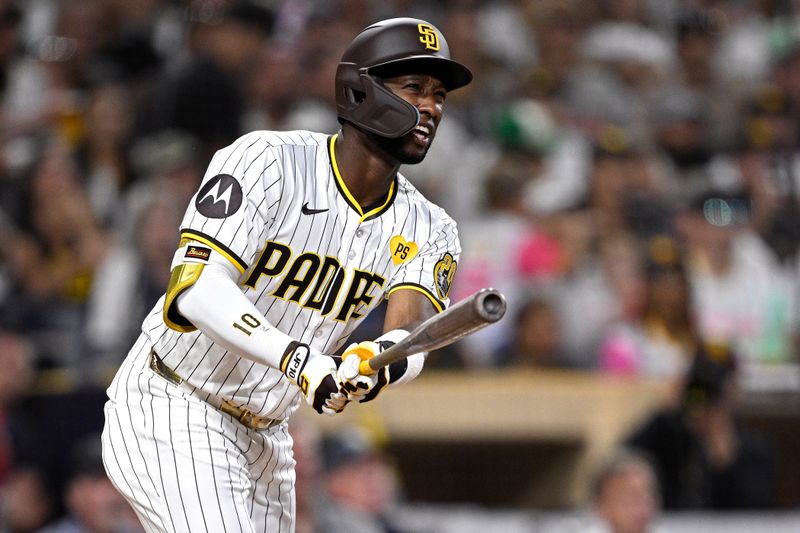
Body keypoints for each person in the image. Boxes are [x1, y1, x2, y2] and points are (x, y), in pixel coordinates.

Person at [101, 17, 472, 533]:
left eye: (439, 95)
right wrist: (299, 360)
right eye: (414, 88)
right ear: (359, 90)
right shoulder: (266, 160)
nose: (431, 106)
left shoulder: (431, 227)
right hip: (175, 398)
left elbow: (409, 337)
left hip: (268, 433)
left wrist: (375, 363)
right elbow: (195, 289)